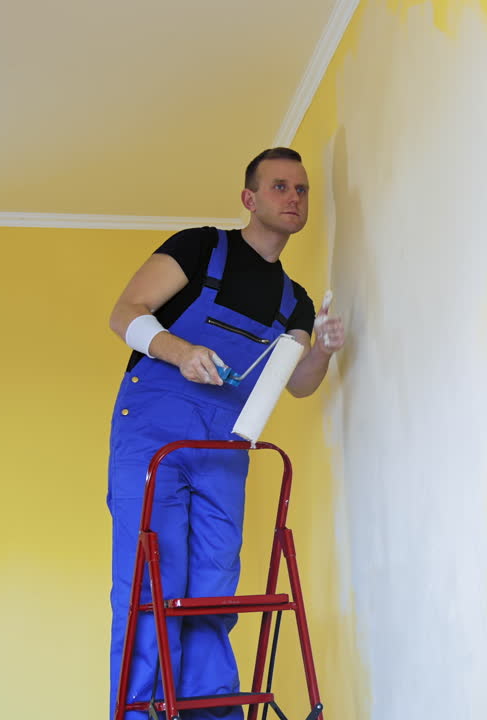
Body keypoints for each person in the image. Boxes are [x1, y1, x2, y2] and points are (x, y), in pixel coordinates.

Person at [105, 147, 345, 719]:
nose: (294, 198)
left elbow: (301, 383)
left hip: (223, 448)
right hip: (154, 437)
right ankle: (140, 712)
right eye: (281, 186)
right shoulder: (199, 249)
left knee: (213, 589)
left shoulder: (296, 302)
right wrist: (181, 350)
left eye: (302, 190)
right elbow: (126, 313)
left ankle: (211, 712)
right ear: (250, 198)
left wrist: (327, 349)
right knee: (149, 584)